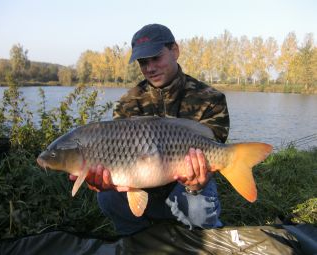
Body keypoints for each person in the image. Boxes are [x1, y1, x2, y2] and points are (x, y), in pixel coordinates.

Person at [72, 24, 230, 235]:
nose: (150, 68)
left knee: (199, 208)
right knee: (107, 196)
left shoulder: (210, 99)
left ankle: (203, 233)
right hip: (141, 182)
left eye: (156, 58)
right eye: (143, 62)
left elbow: (215, 144)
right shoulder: (128, 102)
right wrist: (106, 179)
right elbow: (117, 157)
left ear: (175, 51)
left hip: (186, 184)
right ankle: (139, 236)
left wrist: (196, 183)